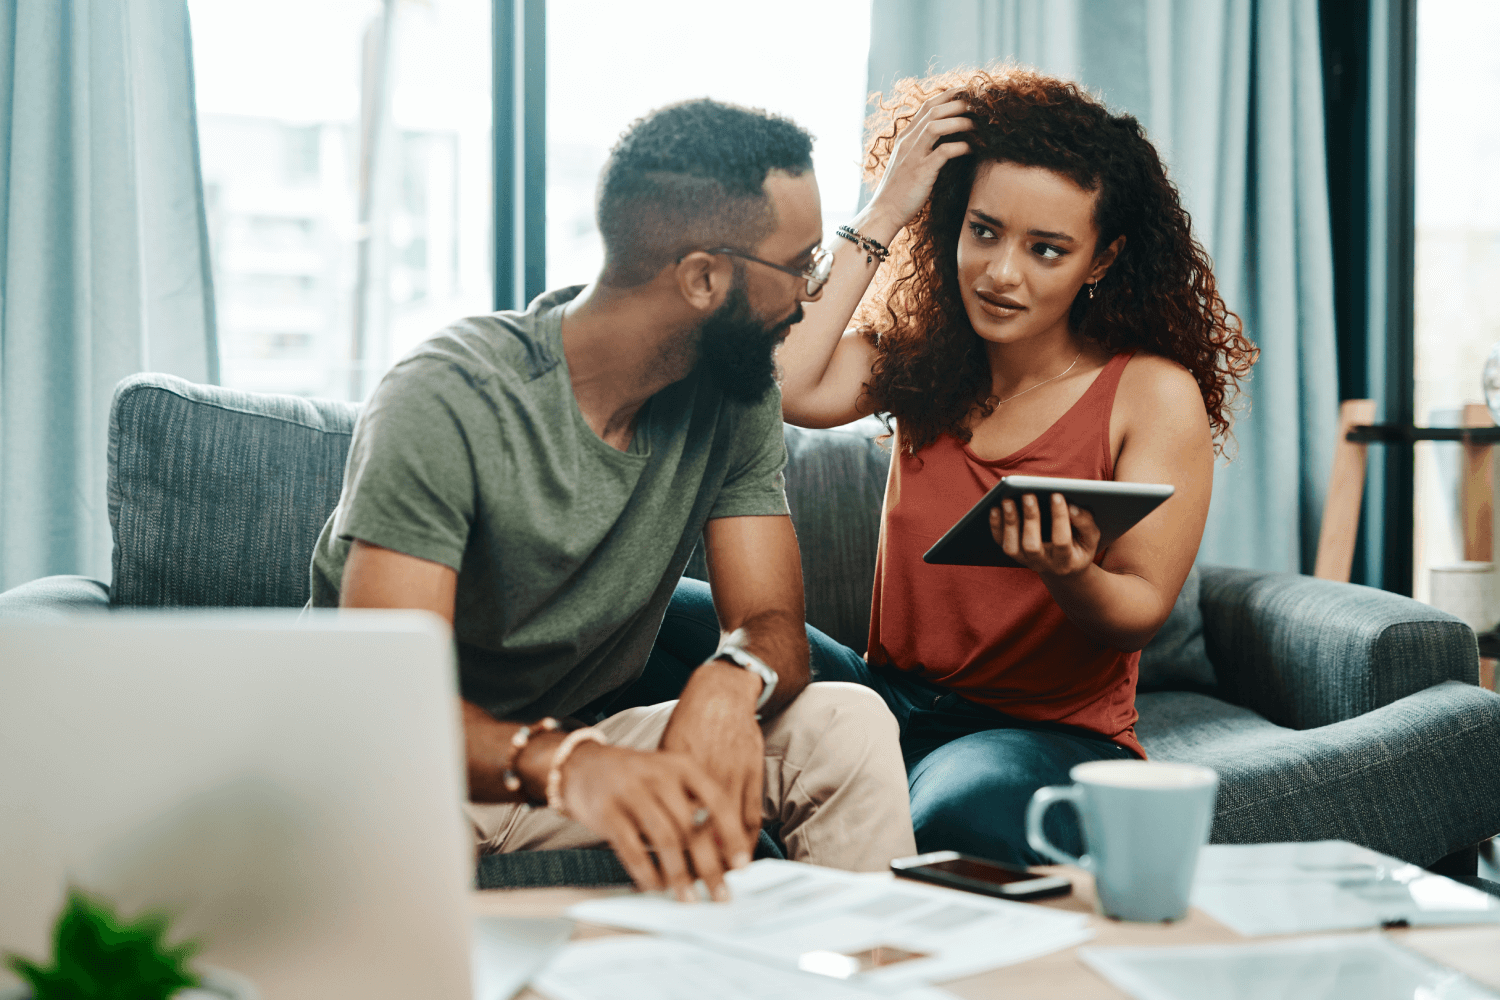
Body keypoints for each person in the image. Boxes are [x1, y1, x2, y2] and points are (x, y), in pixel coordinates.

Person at [308, 99, 916, 901]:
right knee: (401, 837)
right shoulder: (450, 397)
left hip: (577, 752)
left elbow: (773, 626)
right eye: (800, 266)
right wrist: (567, 765)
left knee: (847, 724)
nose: (808, 300)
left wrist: (731, 680)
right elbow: (386, 700)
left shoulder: (735, 401)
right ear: (704, 277)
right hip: (398, 767)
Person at [686, 66, 1256, 865]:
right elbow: (784, 382)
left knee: (960, 812)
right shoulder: (925, 362)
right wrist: (889, 205)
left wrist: (1068, 569)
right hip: (883, 695)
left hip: (1037, 734)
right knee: (665, 616)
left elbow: (1138, 608)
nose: (1001, 272)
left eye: (1046, 250)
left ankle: (831, 818)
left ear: (1101, 260)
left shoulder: (1150, 395)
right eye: (982, 231)